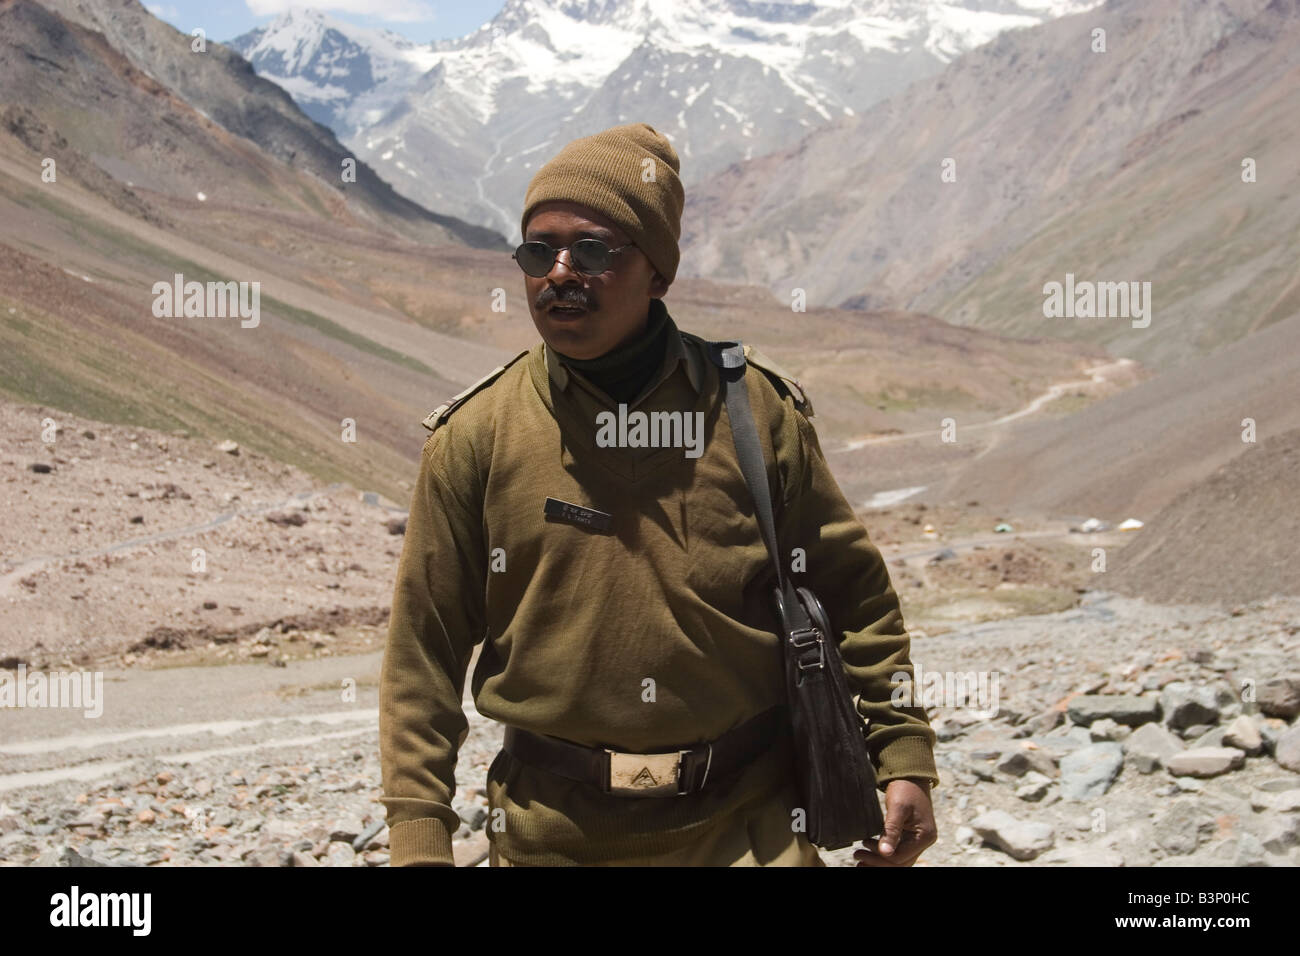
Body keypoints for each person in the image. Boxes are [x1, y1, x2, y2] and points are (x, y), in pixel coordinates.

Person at [379, 122, 939, 867]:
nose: (560, 272)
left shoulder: (754, 413)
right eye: (538, 250)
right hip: (551, 839)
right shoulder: (476, 436)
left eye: (596, 250)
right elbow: (424, 652)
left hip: (750, 830)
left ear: (658, 272)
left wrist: (902, 751)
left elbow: (855, 595)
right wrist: (420, 837)